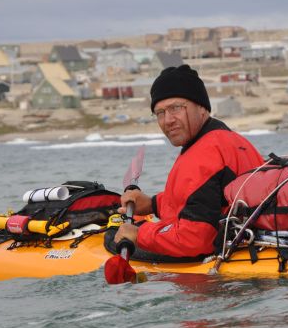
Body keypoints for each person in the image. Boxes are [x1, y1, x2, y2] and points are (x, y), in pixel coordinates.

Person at [114, 64, 265, 257]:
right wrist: (153, 204)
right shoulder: (230, 139)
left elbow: (193, 240)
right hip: (253, 248)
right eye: (160, 113)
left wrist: (139, 233)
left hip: (218, 279)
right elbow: (203, 200)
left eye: (176, 108)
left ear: (202, 107)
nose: (168, 120)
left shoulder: (203, 154)